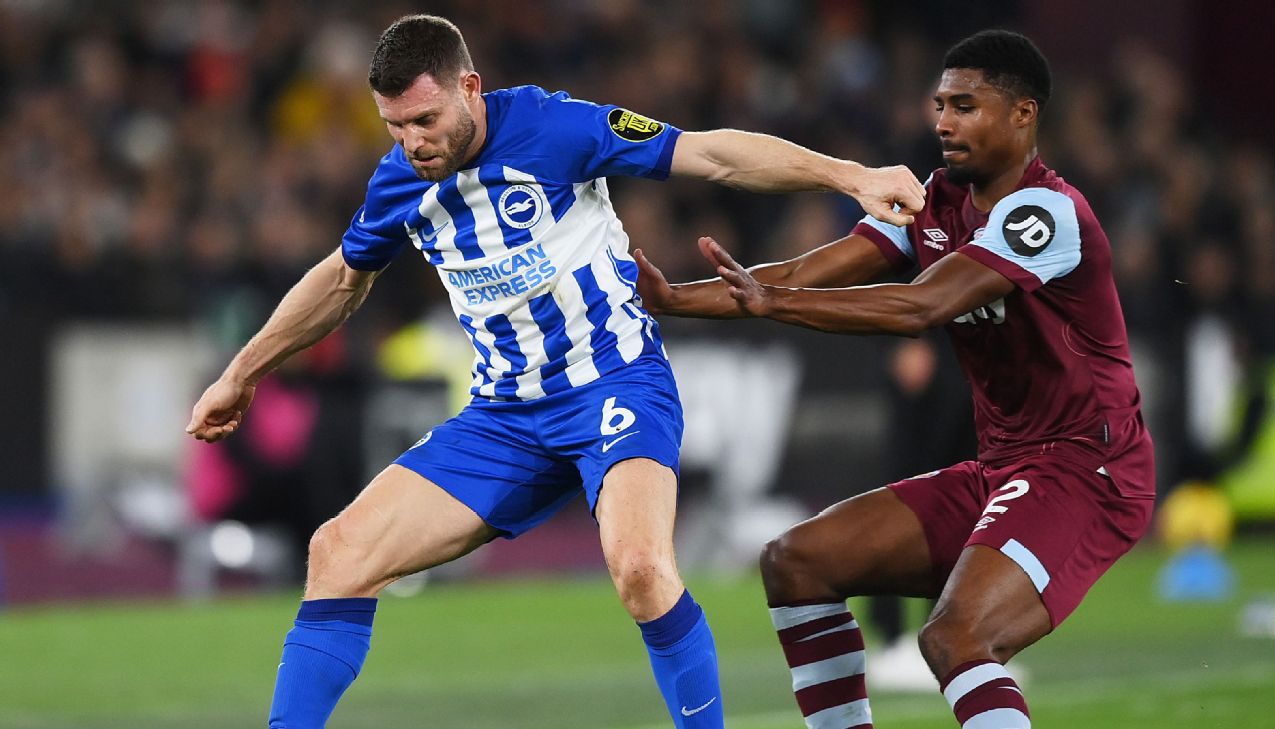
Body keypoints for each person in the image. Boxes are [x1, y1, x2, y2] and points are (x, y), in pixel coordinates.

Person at [184, 14, 923, 729]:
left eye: (425, 121)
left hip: (616, 387)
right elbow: (345, 279)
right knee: (337, 552)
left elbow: (712, 155)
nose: (412, 143)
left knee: (641, 570)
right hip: (505, 418)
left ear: (469, 87)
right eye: (394, 127)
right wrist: (242, 371)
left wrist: (849, 176)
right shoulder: (400, 182)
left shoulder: (555, 128)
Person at [635, 30, 1155, 729]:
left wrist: (775, 303)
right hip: (1003, 468)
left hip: (1086, 470)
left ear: (1023, 114)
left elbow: (922, 306)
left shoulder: (1046, 213)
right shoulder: (934, 201)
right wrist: (675, 299)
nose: (943, 122)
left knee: (955, 638)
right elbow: (803, 272)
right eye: (941, 105)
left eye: (966, 106)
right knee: (797, 562)